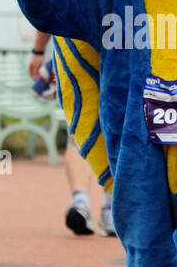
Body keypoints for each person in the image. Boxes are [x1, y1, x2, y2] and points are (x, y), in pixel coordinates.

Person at [30, 28, 116, 238]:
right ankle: (111, 208)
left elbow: (47, 1)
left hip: (76, 47)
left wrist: (38, 50)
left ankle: (81, 202)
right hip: (121, 43)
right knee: (116, 127)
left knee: (80, 129)